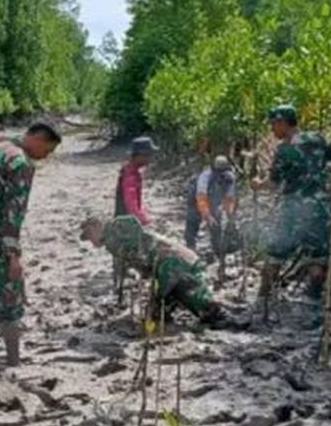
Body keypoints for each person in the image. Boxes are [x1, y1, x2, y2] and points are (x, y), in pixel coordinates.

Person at [0, 123, 63, 365]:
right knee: (10, 298)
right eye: (47, 150)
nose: (46, 156)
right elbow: (13, 212)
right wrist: (13, 256)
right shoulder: (21, 163)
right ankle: (13, 360)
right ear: (37, 139)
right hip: (0, 235)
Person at [80, 215, 242, 329]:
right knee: (165, 306)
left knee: (188, 295)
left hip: (172, 262)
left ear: (97, 226)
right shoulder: (112, 244)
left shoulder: (115, 229)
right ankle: (190, 317)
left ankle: (222, 316)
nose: (91, 242)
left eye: (90, 235)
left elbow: (133, 225)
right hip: (165, 265)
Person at [260, 104, 331, 306]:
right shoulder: (317, 140)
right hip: (319, 209)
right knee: (317, 257)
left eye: (274, 125)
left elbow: (274, 182)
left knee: (275, 253)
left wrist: (257, 184)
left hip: (293, 209)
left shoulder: (285, 150)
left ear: (283, 123)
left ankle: (262, 301)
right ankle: (313, 302)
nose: (272, 130)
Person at [185, 156, 238, 255]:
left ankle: (217, 248)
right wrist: (208, 216)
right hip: (196, 199)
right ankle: (190, 246)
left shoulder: (230, 178)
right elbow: (201, 198)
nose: (221, 175)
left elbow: (229, 199)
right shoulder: (205, 177)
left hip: (214, 200)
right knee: (193, 220)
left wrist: (230, 217)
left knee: (216, 223)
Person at [115, 136, 157, 225]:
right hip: (127, 225)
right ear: (139, 155)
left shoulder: (131, 172)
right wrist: (144, 221)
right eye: (148, 155)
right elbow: (131, 204)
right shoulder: (130, 176)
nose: (150, 158)